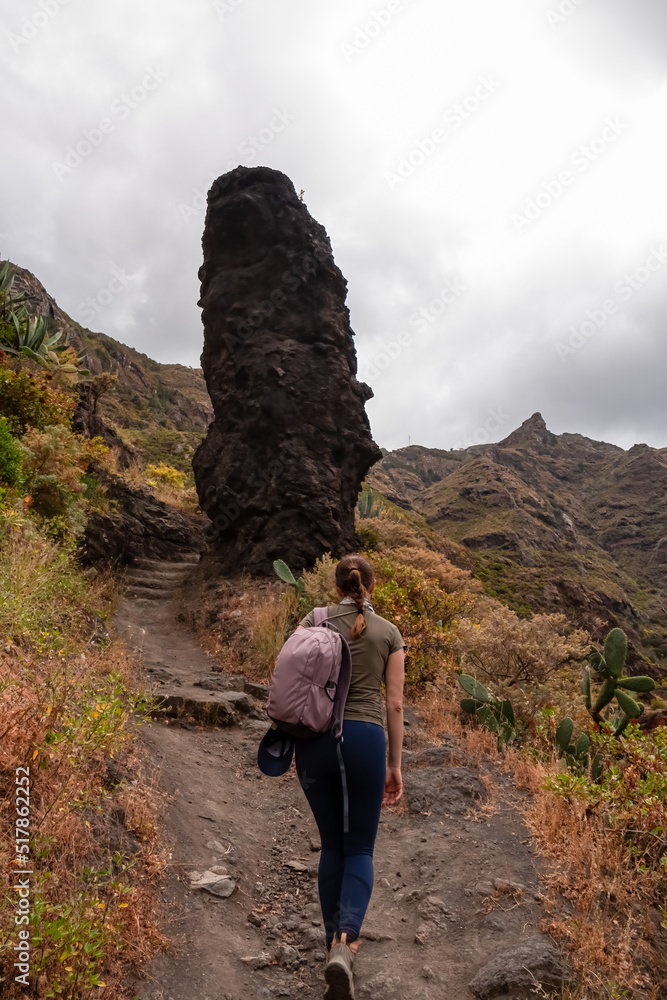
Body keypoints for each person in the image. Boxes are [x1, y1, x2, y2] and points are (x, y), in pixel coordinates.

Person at [294, 554, 405, 999]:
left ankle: (329, 948)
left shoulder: (313, 621)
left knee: (332, 846)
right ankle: (346, 943)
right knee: (360, 846)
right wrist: (394, 765)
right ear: (370, 586)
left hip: (315, 743)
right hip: (364, 741)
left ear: (338, 587)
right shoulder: (389, 633)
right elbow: (394, 704)